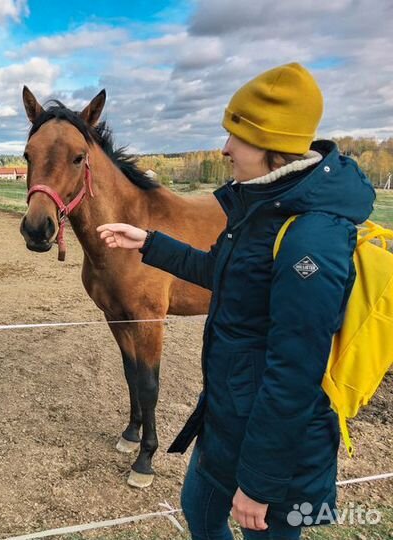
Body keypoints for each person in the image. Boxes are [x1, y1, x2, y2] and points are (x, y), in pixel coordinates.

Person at [97, 63, 375, 539]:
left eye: (235, 137)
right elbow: (225, 273)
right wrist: (149, 241)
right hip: (230, 417)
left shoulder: (310, 241)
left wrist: (260, 485)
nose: (224, 148)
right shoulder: (265, 208)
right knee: (199, 508)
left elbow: (294, 375)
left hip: (277, 453)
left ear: (272, 145)